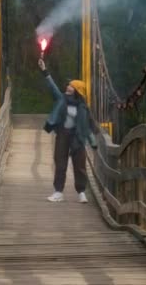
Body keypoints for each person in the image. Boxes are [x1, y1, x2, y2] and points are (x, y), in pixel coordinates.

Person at [37, 58, 98, 203]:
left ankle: (81, 192)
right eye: (68, 86)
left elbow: (87, 127)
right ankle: (58, 192)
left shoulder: (83, 107)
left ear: (77, 90)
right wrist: (44, 70)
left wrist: (93, 142)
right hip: (63, 134)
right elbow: (52, 87)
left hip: (77, 137)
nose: (67, 87)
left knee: (80, 165)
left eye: (71, 86)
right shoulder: (61, 99)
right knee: (60, 163)